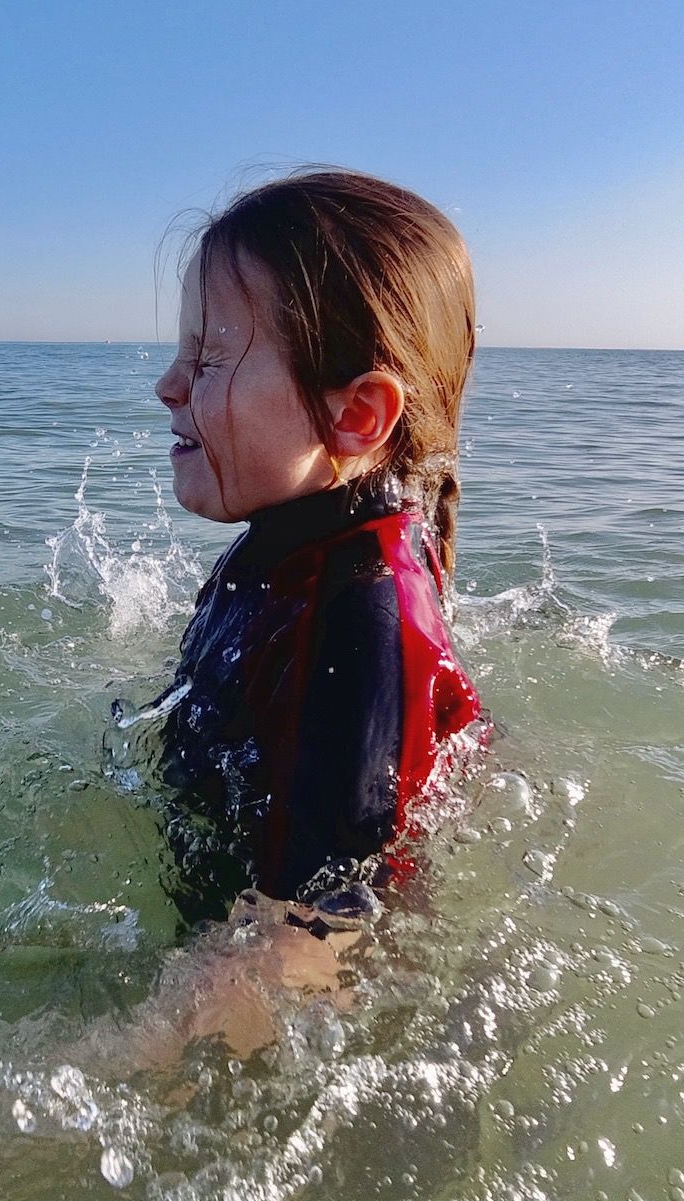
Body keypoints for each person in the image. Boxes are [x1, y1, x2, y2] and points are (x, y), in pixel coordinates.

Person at [145, 169, 485, 942]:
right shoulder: (292, 541)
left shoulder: (358, 627)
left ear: (358, 414)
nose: (167, 385)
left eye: (207, 360)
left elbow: (319, 940)